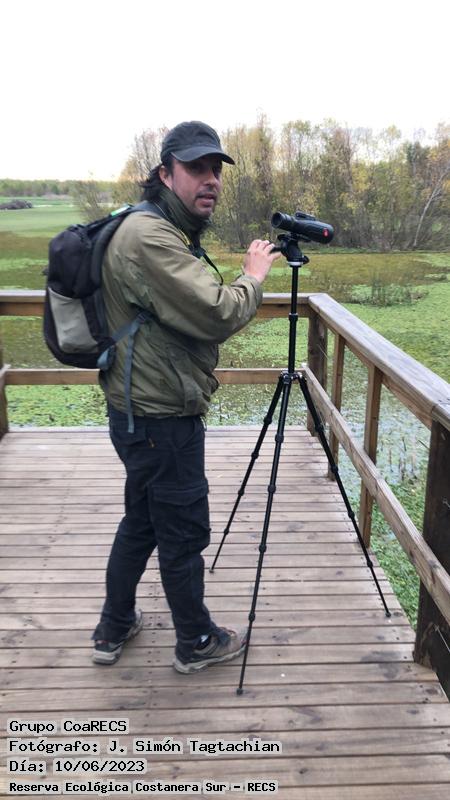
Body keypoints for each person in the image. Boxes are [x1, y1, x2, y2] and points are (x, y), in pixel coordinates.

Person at [92, 120, 280, 673]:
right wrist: (253, 276)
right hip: (162, 417)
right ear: (165, 173)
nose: (210, 179)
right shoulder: (149, 237)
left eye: (215, 169)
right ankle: (196, 641)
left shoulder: (153, 226)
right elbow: (217, 311)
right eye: (196, 167)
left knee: (143, 522)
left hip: (138, 410)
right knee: (182, 531)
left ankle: (113, 627)